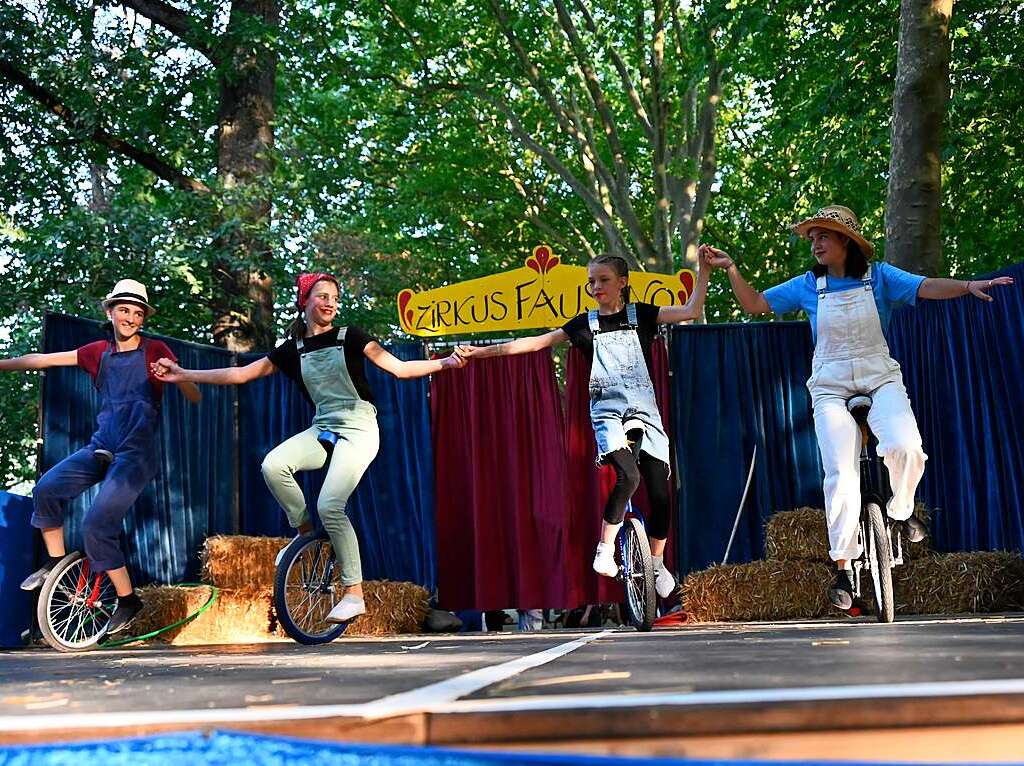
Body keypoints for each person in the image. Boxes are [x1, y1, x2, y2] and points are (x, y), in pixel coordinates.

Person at [703, 204, 1014, 609]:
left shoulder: (880, 277)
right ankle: (844, 567)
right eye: (812, 237)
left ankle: (901, 510)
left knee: (906, 446)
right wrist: (730, 269)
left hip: (879, 377)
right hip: (830, 386)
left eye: (823, 236)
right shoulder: (805, 286)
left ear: (846, 241)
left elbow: (926, 285)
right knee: (841, 472)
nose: (815, 243)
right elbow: (756, 305)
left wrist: (967, 286)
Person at [153, 272, 466, 623]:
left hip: (360, 428)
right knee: (273, 465)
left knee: (331, 506)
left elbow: (402, 369)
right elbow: (241, 375)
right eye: (322, 296)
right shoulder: (292, 350)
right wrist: (183, 374)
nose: (330, 302)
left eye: (333, 296)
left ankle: (354, 594)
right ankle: (304, 535)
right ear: (305, 302)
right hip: (324, 426)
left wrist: (446, 362)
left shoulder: (351, 337)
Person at [458, 253, 711, 599]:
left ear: (622, 282)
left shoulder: (644, 316)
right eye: (591, 281)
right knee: (629, 477)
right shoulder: (583, 325)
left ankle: (656, 561)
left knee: (660, 494)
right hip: (608, 412)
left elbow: (692, 310)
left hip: (646, 413)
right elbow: (533, 344)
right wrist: (481, 353)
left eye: (603, 280)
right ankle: (605, 550)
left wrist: (706, 269)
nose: (596, 287)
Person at [2, 279, 202, 634]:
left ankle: (128, 600)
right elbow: (44, 360)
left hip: (136, 453)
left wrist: (176, 375)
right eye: (123, 310)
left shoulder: (155, 350)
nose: (130, 318)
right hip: (102, 444)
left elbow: (194, 396)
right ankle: (53, 561)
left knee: (96, 524)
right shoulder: (97, 352)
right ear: (110, 312)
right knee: (46, 487)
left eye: (137, 313)